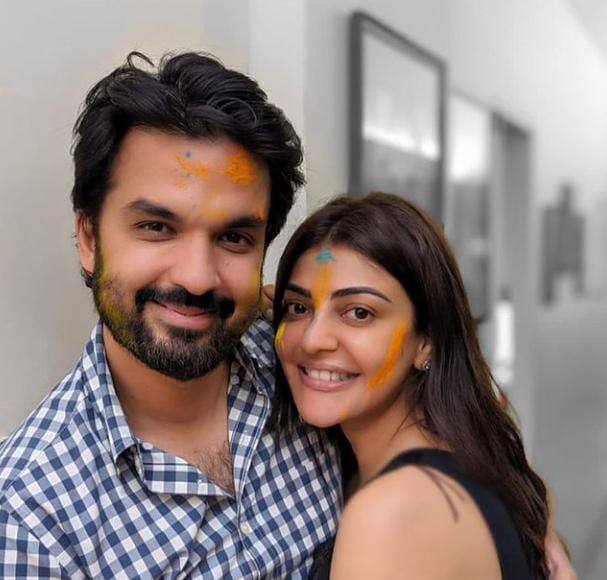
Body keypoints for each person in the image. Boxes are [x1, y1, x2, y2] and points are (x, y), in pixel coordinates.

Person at [0, 51, 341, 578]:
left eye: (234, 237)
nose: (197, 278)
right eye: (157, 227)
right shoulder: (28, 516)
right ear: (89, 239)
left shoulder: (309, 366)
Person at [270, 192, 557, 579]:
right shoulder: (468, 458)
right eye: (298, 308)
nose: (312, 340)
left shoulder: (393, 512)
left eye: (359, 313)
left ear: (427, 341)